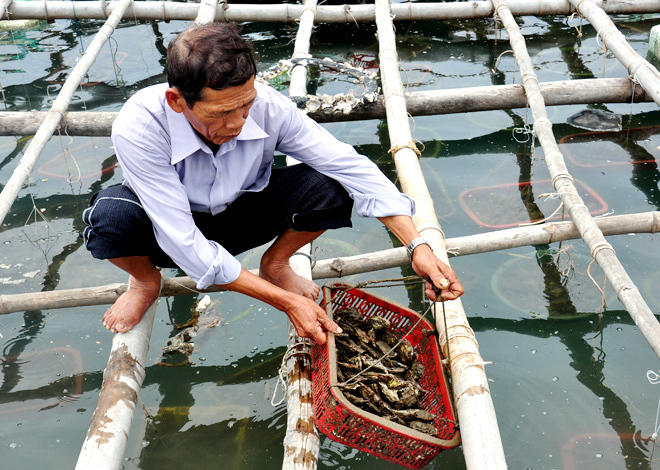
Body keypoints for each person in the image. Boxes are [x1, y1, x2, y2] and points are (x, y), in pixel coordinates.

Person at [82, 22, 464, 345]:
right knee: (110, 218)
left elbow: (350, 166)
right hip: (166, 229)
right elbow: (179, 238)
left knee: (329, 186)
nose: (237, 123)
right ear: (177, 100)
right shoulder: (139, 126)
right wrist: (285, 302)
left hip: (242, 212)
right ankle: (145, 282)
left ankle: (276, 262)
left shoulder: (269, 106)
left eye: (245, 106)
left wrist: (417, 246)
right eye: (221, 112)